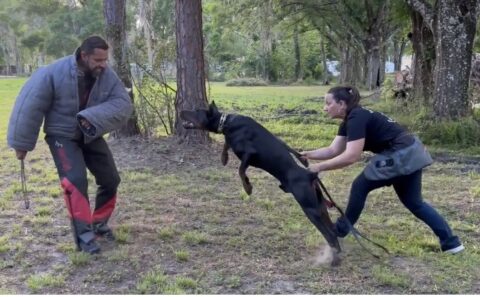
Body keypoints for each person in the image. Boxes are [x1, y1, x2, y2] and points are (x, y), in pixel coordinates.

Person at [301, 85, 464, 254]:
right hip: (413, 151)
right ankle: (452, 243)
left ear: (341, 104)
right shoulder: (352, 119)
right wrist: (307, 154)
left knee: (360, 186)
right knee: (415, 203)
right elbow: (333, 150)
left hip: (400, 153)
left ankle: (340, 230)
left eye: (328, 103)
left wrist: (319, 167)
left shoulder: (356, 117)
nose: (324, 108)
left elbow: (351, 156)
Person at [7, 36, 133, 254]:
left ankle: (99, 224)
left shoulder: (106, 74)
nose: (103, 64)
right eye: (98, 60)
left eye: (105, 59)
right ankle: (85, 238)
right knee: (75, 181)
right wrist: (22, 144)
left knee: (111, 179)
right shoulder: (53, 73)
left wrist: (91, 117)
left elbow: (122, 103)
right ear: (84, 56)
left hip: (89, 132)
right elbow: (30, 105)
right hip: (61, 135)